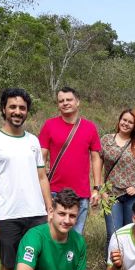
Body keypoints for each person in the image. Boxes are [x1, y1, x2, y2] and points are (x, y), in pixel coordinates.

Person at [0, 88, 51, 270]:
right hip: (7, 215)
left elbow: (42, 177)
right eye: (13, 107)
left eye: (22, 108)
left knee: (39, 263)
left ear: (27, 111)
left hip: (37, 214)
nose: (17, 112)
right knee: (8, 265)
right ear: (3, 109)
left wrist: (49, 209)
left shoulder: (33, 141)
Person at [39, 87, 102, 234]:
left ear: (77, 102)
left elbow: (96, 158)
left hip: (81, 194)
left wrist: (97, 188)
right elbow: (41, 157)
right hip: (54, 191)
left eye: (69, 100)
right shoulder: (49, 125)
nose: (65, 103)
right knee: (53, 235)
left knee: (75, 236)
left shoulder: (89, 127)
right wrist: (40, 187)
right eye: (61, 101)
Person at [100, 108, 135, 248]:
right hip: (111, 196)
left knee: (131, 231)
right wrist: (101, 190)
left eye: (131, 122)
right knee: (113, 233)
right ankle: (112, 266)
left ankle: (128, 267)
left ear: (134, 125)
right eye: (124, 120)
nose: (126, 124)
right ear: (119, 121)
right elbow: (97, 167)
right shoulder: (106, 140)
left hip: (133, 196)